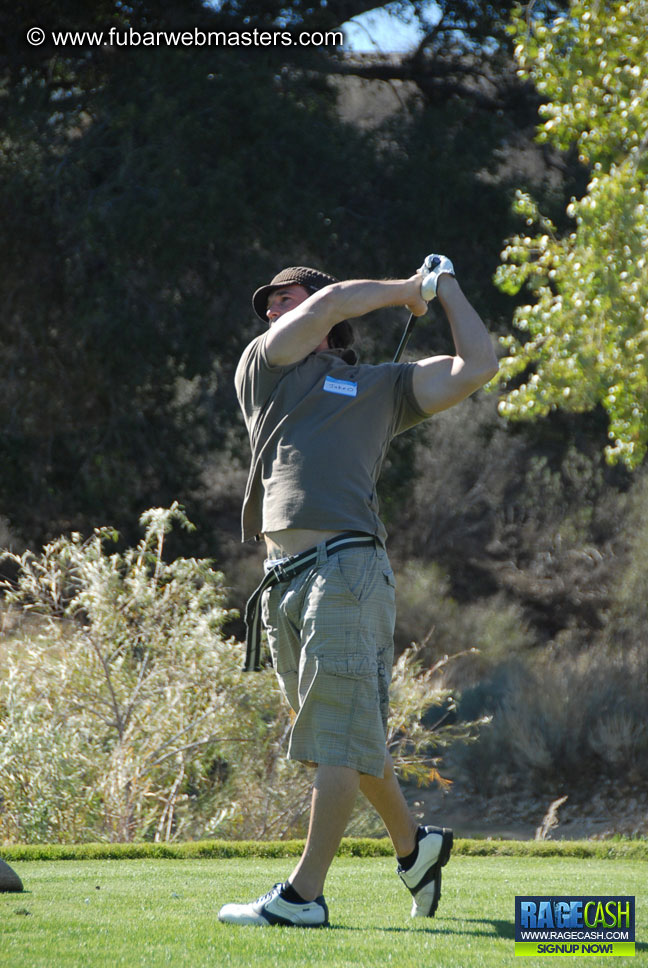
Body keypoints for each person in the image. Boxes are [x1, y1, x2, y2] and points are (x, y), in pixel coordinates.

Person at [218, 256, 498, 928]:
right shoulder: (264, 368)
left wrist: (447, 289)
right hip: (282, 580)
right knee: (336, 735)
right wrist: (410, 290)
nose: (272, 310)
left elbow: (478, 366)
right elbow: (335, 300)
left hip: (347, 566)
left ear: (323, 318)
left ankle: (303, 897)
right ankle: (417, 846)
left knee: (338, 736)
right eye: (270, 303)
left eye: (284, 298)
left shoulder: (382, 386)